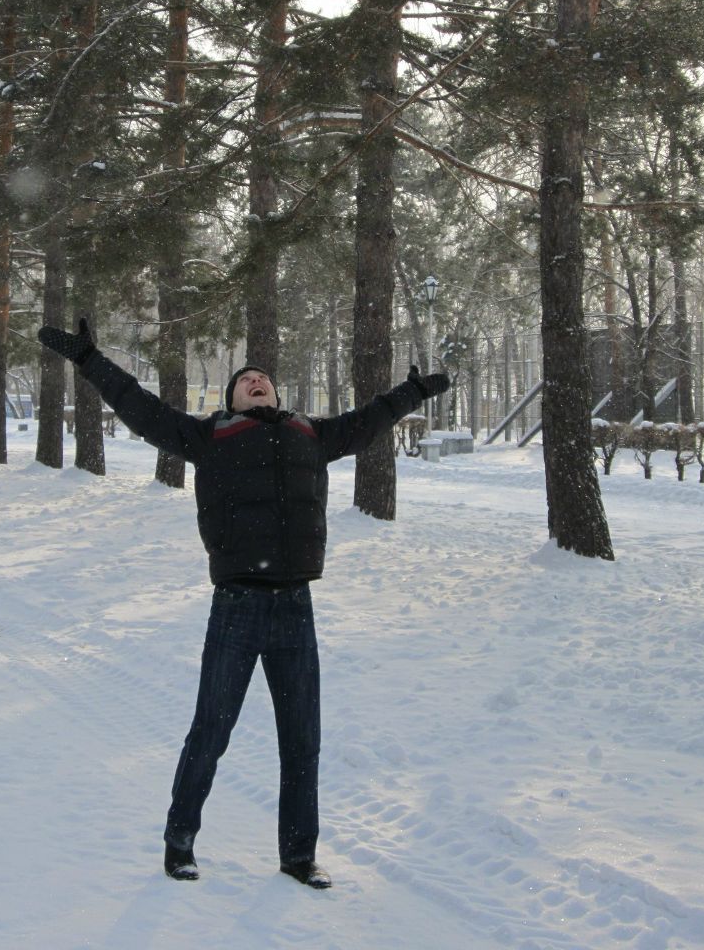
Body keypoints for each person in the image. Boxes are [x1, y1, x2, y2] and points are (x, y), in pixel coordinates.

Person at [38, 317, 450, 889]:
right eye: (245, 379)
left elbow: (371, 420)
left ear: (276, 394)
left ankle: (298, 856)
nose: (257, 381)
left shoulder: (313, 434)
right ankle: (179, 843)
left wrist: (415, 390)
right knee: (211, 729)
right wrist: (89, 360)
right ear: (231, 398)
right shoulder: (210, 437)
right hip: (237, 606)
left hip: (296, 607)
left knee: (302, 739)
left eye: (264, 378)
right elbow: (139, 407)